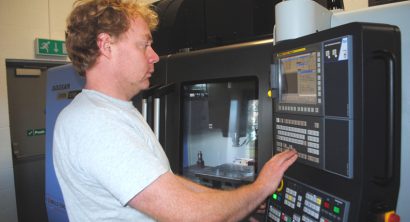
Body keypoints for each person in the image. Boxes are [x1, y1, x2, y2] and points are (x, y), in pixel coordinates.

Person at [53, 0, 298, 221]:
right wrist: (261, 187)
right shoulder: (97, 123)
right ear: (106, 45)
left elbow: (164, 183)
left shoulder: (110, 111)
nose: (155, 56)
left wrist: (243, 201)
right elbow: (191, 215)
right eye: (144, 45)